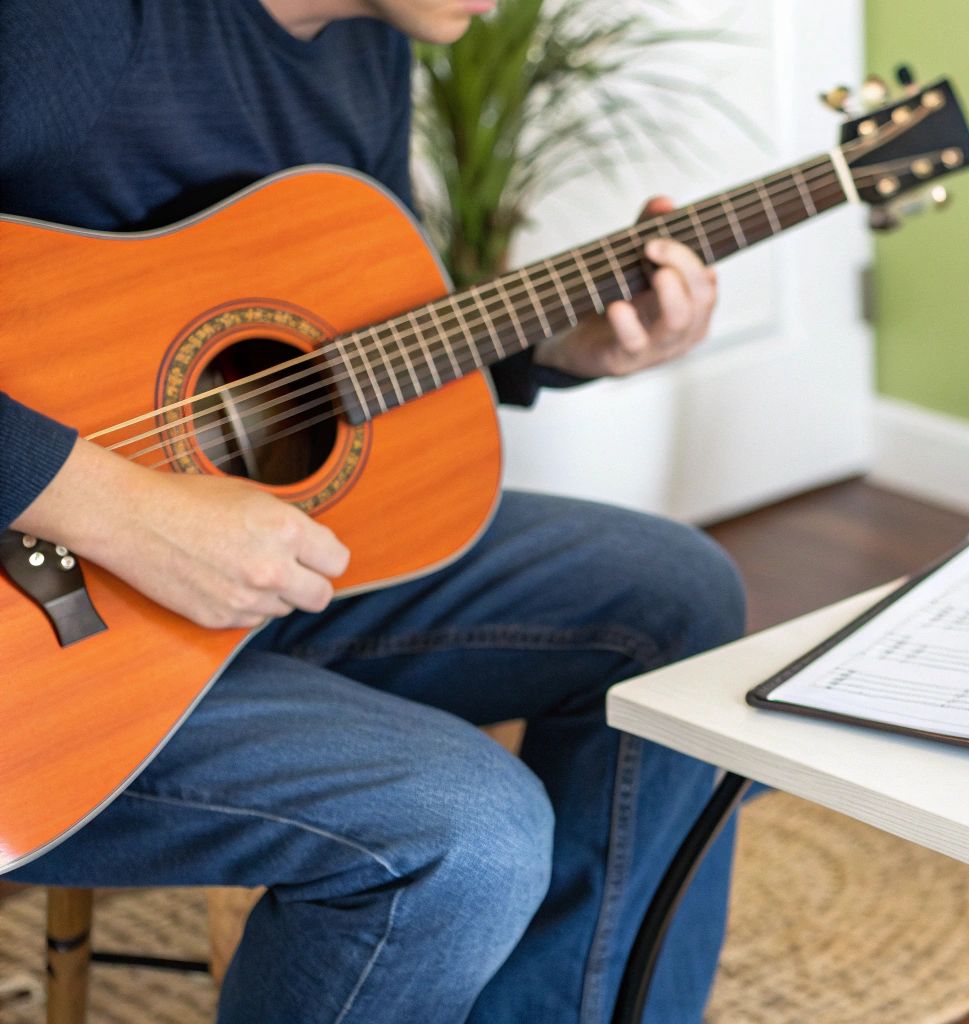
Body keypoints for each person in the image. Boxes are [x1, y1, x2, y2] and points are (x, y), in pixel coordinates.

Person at [0, 1, 746, 1021]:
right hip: (48, 656)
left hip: (233, 586)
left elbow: (345, 343)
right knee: (468, 831)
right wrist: (123, 512)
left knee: (677, 602)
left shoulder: (366, 46)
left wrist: (551, 347)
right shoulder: (72, 26)